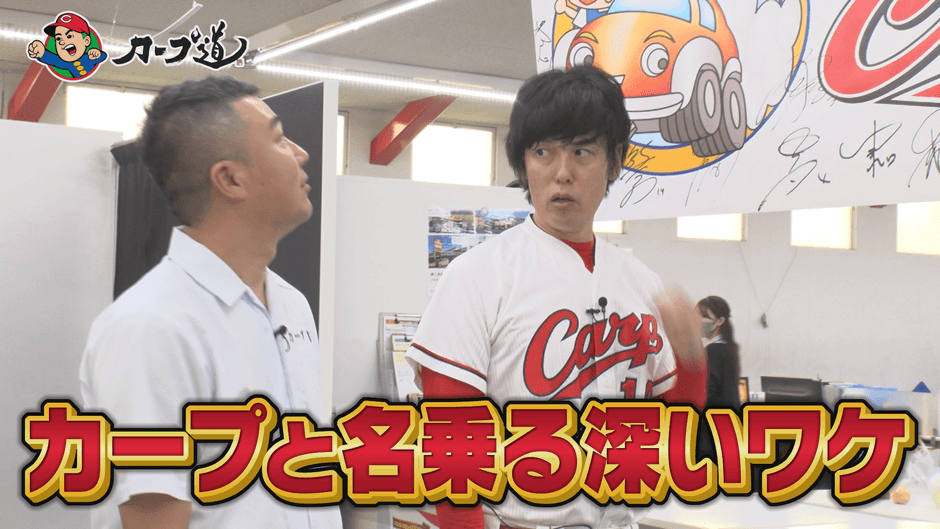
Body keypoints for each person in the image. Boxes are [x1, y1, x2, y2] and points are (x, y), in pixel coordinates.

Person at [405, 65, 707, 529]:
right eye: (543, 152)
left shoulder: (642, 283)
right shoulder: (478, 276)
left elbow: (673, 439)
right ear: (524, 164)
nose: (561, 173)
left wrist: (691, 365)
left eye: (582, 151)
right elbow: (451, 455)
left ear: (614, 161)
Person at [79, 76, 342, 529]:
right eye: (279, 139)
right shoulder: (150, 326)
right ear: (230, 179)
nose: (301, 154)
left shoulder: (291, 304)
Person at [697, 295, 742, 409]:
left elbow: (707, 391)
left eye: (704, 316)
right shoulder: (727, 347)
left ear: (720, 321)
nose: (699, 320)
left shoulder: (714, 350)